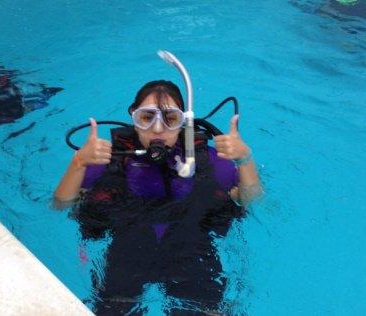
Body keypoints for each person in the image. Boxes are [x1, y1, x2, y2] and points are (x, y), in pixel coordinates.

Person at [54, 80, 262, 315]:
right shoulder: (106, 161)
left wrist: (245, 158)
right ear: (134, 117)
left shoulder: (209, 162)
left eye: (170, 119)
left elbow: (249, 199)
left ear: (183, 120)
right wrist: (78, 162)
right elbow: (62, 204)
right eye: (147, 117)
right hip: (128, 253)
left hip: (191, 253)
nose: (158, 129)